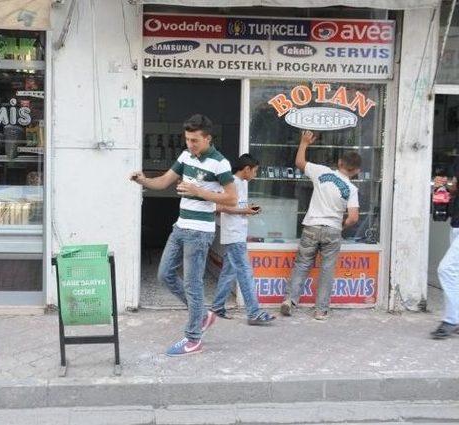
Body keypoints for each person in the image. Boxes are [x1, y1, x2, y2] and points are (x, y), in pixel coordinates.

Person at [130, 114, 237, 356]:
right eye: (188, 139)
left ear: (208, 138)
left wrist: (198, 191)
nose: (190, 144)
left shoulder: (220, 163)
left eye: (195, 140)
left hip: (200, 232)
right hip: (180, 226)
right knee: (164, 274)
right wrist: (143, 180)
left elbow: (231, 198)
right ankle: (201, 315)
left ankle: (193, 339)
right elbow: (164, 181)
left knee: (192, 284)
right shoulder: (185, 155)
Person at [280, 130, 361, 320]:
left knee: (302, 264)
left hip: (312, 226)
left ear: (339, 163)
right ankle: (321, 310)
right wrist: (341, 226)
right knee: (327, 269)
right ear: (356, 171)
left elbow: (299, 163)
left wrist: (304, 142)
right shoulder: (351, 188)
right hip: (332, 229)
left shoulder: (322, 171)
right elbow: (354, 218)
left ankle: (290, 300)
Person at [202, 153, 275, 331]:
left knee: (229, 272)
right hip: (233, 234)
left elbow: (237, 207)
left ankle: (217, 307)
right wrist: (244, 211)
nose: (255, 175)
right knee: (244, 272)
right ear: (247, 169)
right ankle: (254, 312)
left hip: (238, 233)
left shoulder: (243, 183)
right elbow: (217, 207)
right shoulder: (230, 183)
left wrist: (247, 210)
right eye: (255, 171)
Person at [431, 166, 459, 339]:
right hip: (455, 227)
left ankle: (451, 319)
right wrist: (443, 187)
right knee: (455, 273)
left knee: (446, 269)